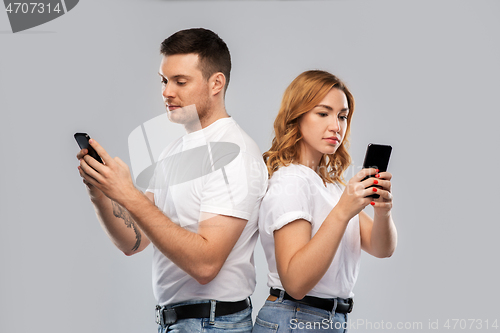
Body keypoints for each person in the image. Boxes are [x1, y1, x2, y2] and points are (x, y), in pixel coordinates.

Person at [76, 28, 268, 333]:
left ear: (216, 83)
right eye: (164, 81)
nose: (167, 92)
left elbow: (206, 265)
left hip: (214, 324)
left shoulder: (235, 154)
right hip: (179, 323)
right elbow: (134, 240)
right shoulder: (173, 151)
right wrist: (102, 192)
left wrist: (129, 194)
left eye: (180, 81)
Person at [252, 70, 397, 333]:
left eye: (342, 116)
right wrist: (343, 212)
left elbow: (382, 248)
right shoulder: (291, 181)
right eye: (323, 113)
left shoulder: (329, 186)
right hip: (295, 318)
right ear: (297, 116)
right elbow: (295, 282)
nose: (336, 126)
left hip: (323, 320)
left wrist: (383, 213)